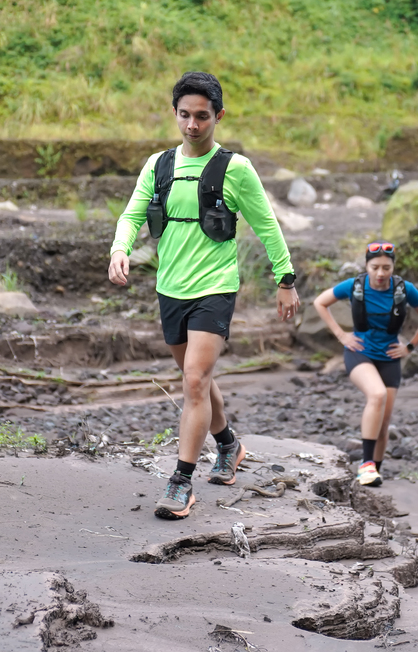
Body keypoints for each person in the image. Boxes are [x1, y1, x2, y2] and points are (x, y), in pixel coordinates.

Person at [108, 72, 299, 520]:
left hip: (215, 288)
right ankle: (229, 444)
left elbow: (266, 225)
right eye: (184, 115)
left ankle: (180, 483)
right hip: (170, 288)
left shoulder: (236, 169)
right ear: (175, 114)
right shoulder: (159, 165)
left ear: (218, 116)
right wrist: (120, 249)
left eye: (202, 116)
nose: (192, 125)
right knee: (198, 378)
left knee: (194, 381)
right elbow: (132, 214)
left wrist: (285, 279)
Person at [312, 242, 418, 487]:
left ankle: (373, 472)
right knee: (377, 395)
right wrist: (341, 335)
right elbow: (320, 302)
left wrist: (409, 347)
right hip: (360, 353)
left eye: (386, 268)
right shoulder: (354, 286)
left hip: (390, 358)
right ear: (366, 266)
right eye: (375, 267)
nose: (380, 273)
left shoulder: (405, 289)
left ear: (393, 268)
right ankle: (366, 464)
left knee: (384, 421)